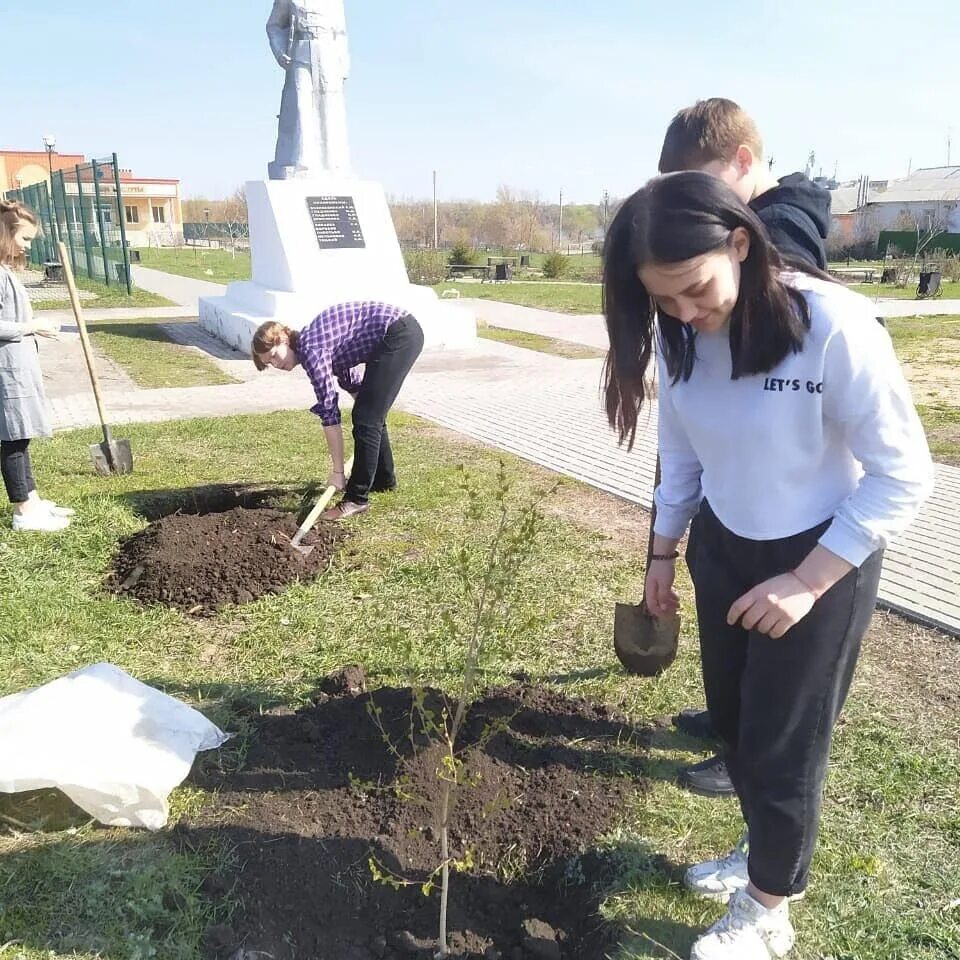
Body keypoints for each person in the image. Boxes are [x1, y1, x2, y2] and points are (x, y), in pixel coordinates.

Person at [602, 172, 932, 960]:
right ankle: (763, 856)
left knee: (786, 744)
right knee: (734, 724)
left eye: (695, 288)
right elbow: (679, 455)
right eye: (664, 300)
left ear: (739, 243)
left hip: (818, 558)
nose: (685, 313)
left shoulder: (835, 327)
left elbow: (904, 473)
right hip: (723, 548)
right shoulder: (683, 338)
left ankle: (768, 905)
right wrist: (663, 552)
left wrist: (808, 581)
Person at [658, 97, 832, 796]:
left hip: (781, 488)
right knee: (730, 623)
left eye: (704, 184)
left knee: (774, 643)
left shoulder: (778, 231)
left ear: (742, 162)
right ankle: (731, 719)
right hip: (726, 472)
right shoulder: (747, 221)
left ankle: (746, 756)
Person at [252, 301, 423, 519]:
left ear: (284, 339)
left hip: (398, 333)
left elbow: (329, 413)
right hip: (397, 334)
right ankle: (383, 480)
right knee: (369, 414)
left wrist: (338, 473)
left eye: (274, 355)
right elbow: (349, 379)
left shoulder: (312, 350)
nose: (275, 364)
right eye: (269, 363)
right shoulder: (313, 346)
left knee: (367, 417)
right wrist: (369, 411)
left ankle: (356, 499)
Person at [0, 200, 74, 533]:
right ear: (5, 233)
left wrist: (37, 326)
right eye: (24, 239)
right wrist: (31, 326)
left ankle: (32, 497)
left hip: (18, 364)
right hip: (6, 370)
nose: (28, 246)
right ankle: (23, 511)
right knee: (12, 437)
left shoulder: (6, 271)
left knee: (22, 434)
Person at [266, 0, 351, 177]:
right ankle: (301, 160)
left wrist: (343, 65)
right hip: (300, 51)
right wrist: (281, 52)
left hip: (328, 53)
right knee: (301, 105)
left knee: (329, 108)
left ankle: (333, 162)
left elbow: (341, 33)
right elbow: (274, 25)